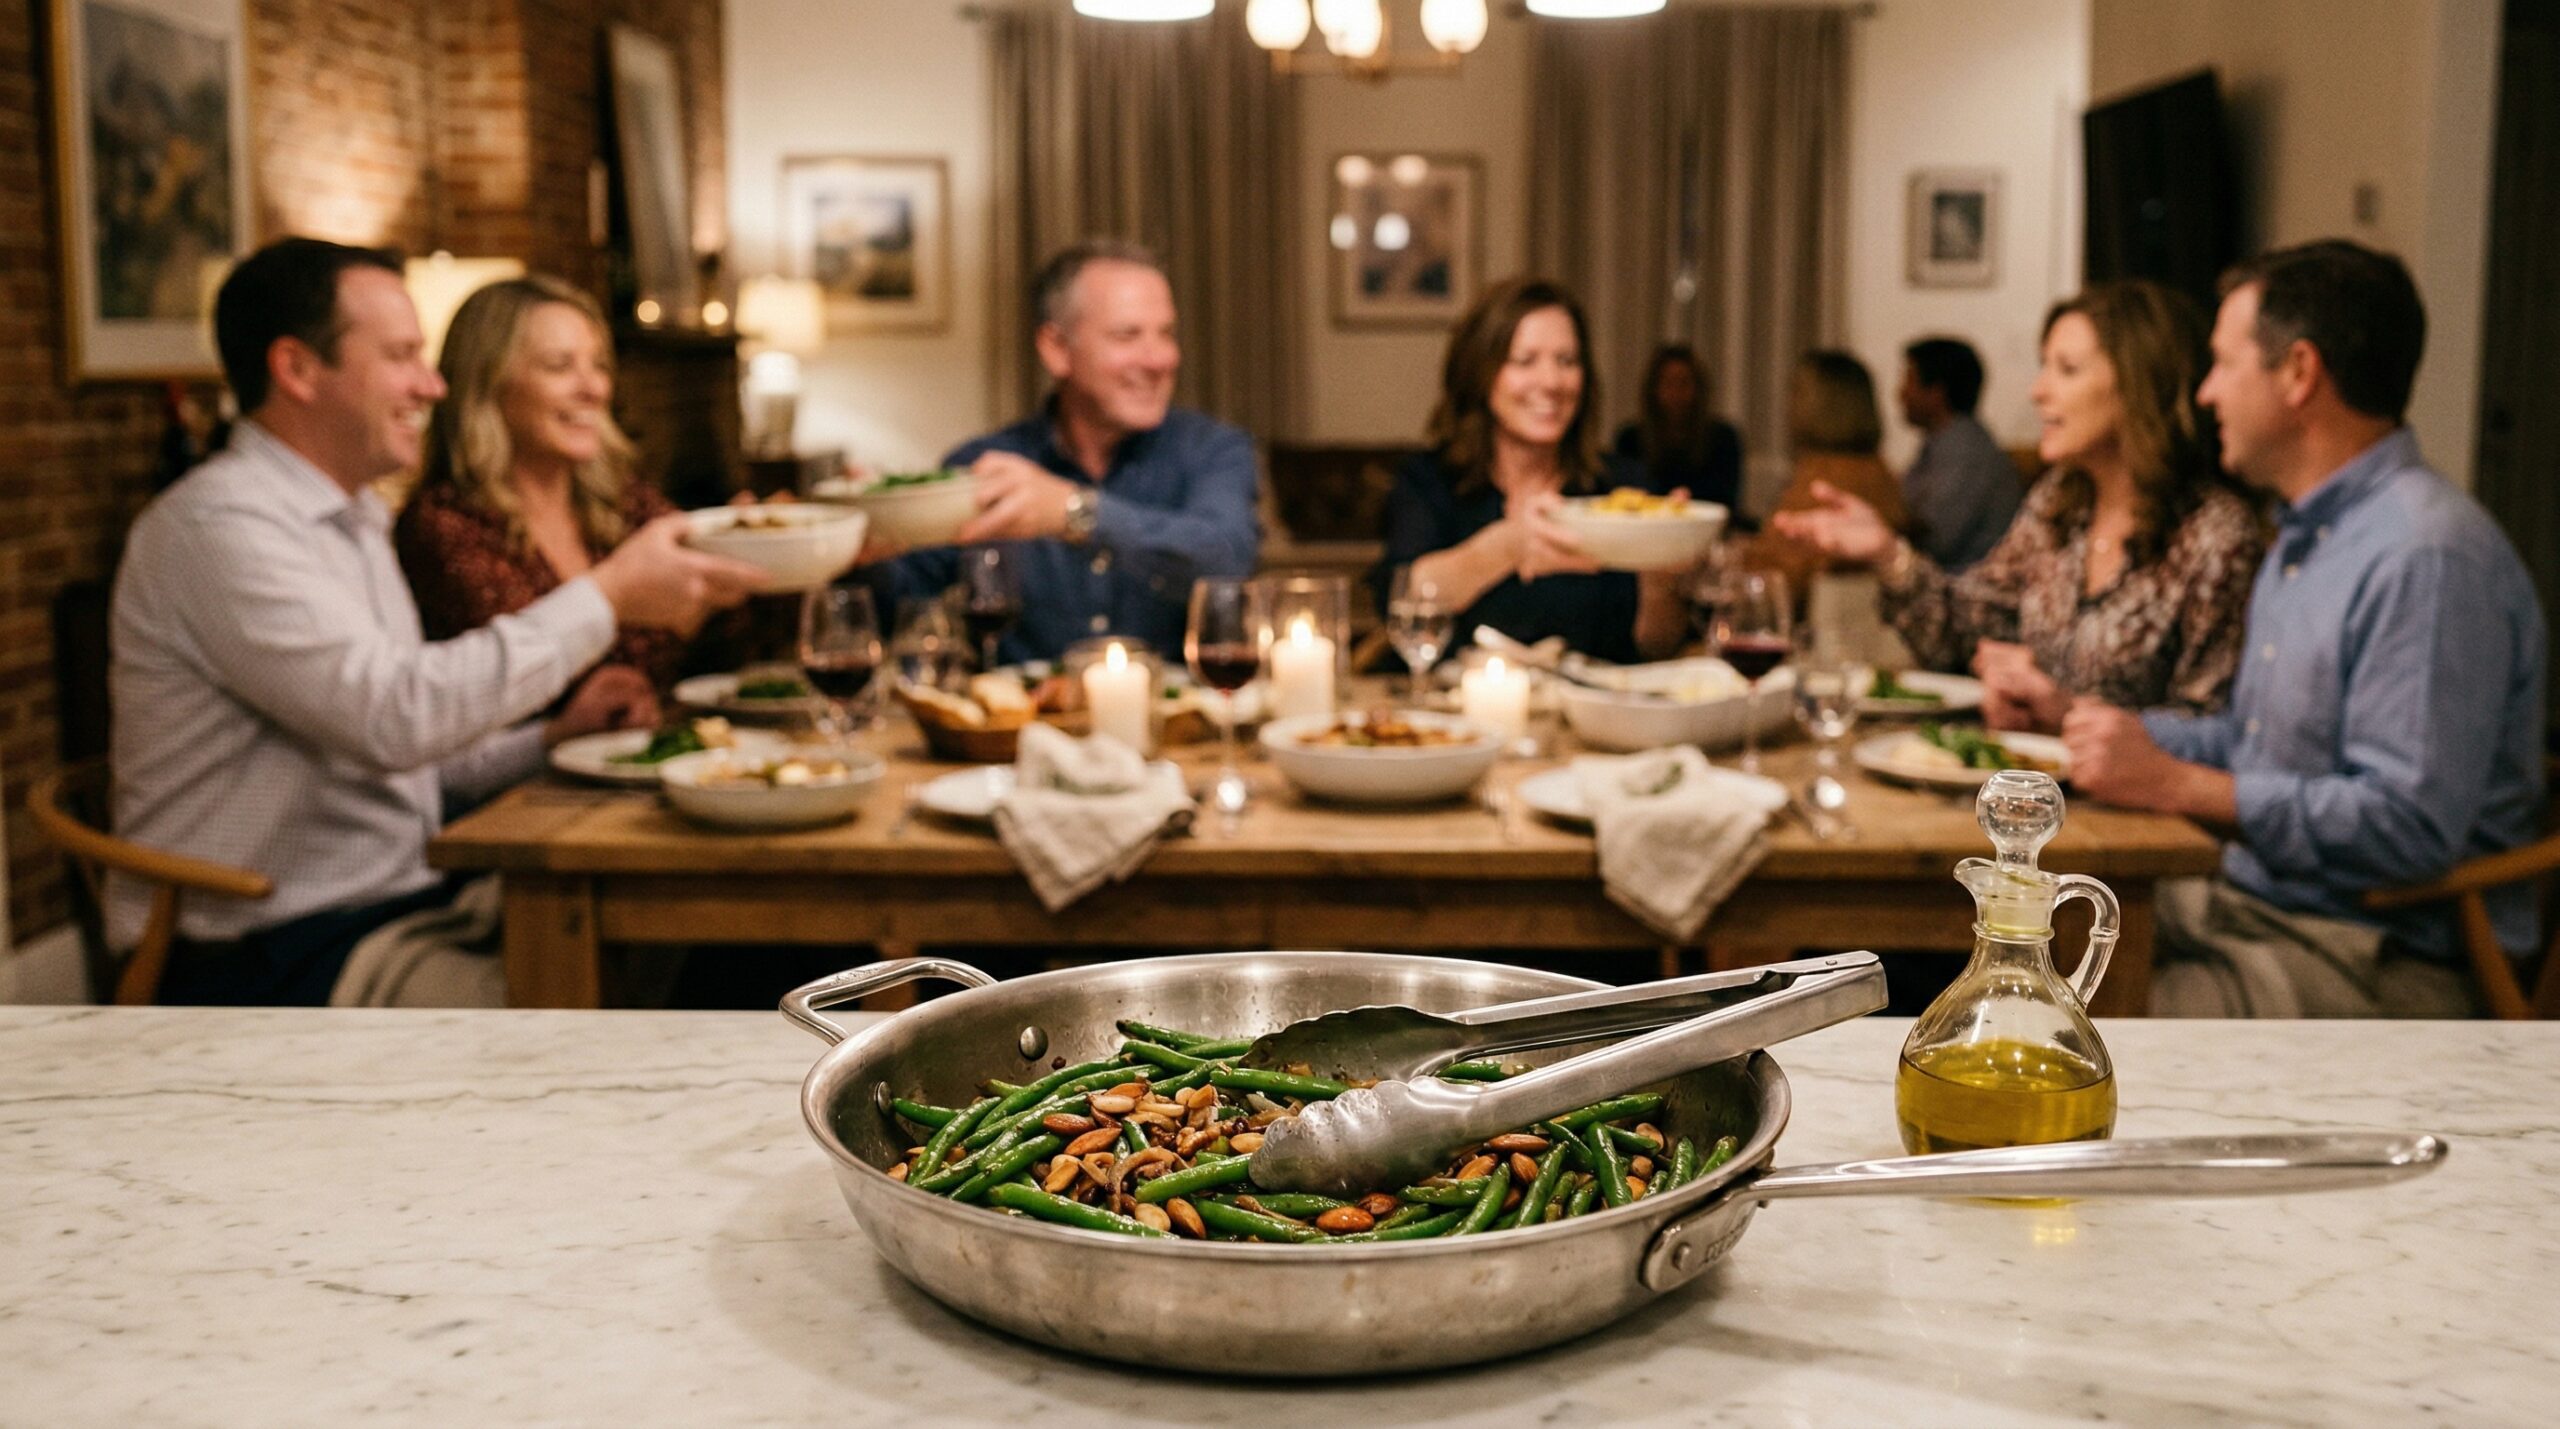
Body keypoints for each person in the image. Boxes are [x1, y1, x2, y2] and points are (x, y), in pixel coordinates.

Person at [110, 238, 764, 1005]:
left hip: (399, 900)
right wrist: (609, 592)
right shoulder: (219, 526)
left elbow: (407, 767)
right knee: (613, 1004)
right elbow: (395, 718)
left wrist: (549, 739)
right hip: (268, 944)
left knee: (718, 947)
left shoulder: (350, 517)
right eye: (401, 355)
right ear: (296, 369)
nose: (433, 383)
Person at [2062, 241, 2545, 1018]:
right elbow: (2258, 746)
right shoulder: (2306, 537)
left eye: (2223, 363)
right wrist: (2084, 727)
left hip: (2384, 957)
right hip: (2263, 905)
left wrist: (2179, 784)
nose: (2206, 392)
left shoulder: (2426, 554)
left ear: (2299, 373)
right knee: (2027, 930)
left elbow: (2408, 827)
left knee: (2086, 1024)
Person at [1774, 283, 2265, 730]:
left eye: (2066, 370)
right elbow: (1963, 630)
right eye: (2044, 365)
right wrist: (1887, 553)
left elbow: (2217, 731)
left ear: (2140, 386)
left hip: (2142, 818)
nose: (2038, 390)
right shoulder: (2061, 503)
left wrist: (2067, 713)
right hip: (2031, 790)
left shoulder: (2215, 536)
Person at [866, 241, 1259, 662]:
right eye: (1128, 335)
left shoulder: (1213, 450)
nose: (1160, 358)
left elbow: (1227, 560)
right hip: (1024, 722)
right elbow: (895, 607)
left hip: (1173, 722)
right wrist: (865, 552)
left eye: (1165, 333)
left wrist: (1074, 512)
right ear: (1056, 349)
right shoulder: (987, 465)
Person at [394, 275, 688, 690]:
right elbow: (545, 683)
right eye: (559, 366)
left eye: (599, 365)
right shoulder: (444, 525)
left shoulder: (621, 499)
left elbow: (727, 630)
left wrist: (758, 554)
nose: (594, 389)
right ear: (488, 383)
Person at [1374, 277, 1689, 665]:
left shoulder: (1621, 488)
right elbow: (1403, 598)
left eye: (1567, 361)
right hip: (1463, 719)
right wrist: (1510, 545)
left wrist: (1661, 576)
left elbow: (1657, 646)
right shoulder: (1430, 480)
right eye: (1525, 361)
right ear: (1480, 371)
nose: (1552, 382)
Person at [1745, 350, 1910, 596]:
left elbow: (1775, 581)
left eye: (1796, 392)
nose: (1788, 404)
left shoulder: (1821, 481)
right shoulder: (1879, 470)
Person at [1896, 336, 2022, 571]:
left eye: (1909, 381)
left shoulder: (1967, 452)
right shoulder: (1942, 444)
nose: (1900, 393)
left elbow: (1935, 541)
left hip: (1968, 590)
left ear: (1937, 392)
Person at [1610, 344, 1746, 526]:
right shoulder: (1630, 438)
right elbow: (1626, 500)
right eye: (1668, 383)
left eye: (1683, 383)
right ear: (1653, 389)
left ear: (1698, 389)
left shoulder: (1723, 438)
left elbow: (1725, 502)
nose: (1675, 393)